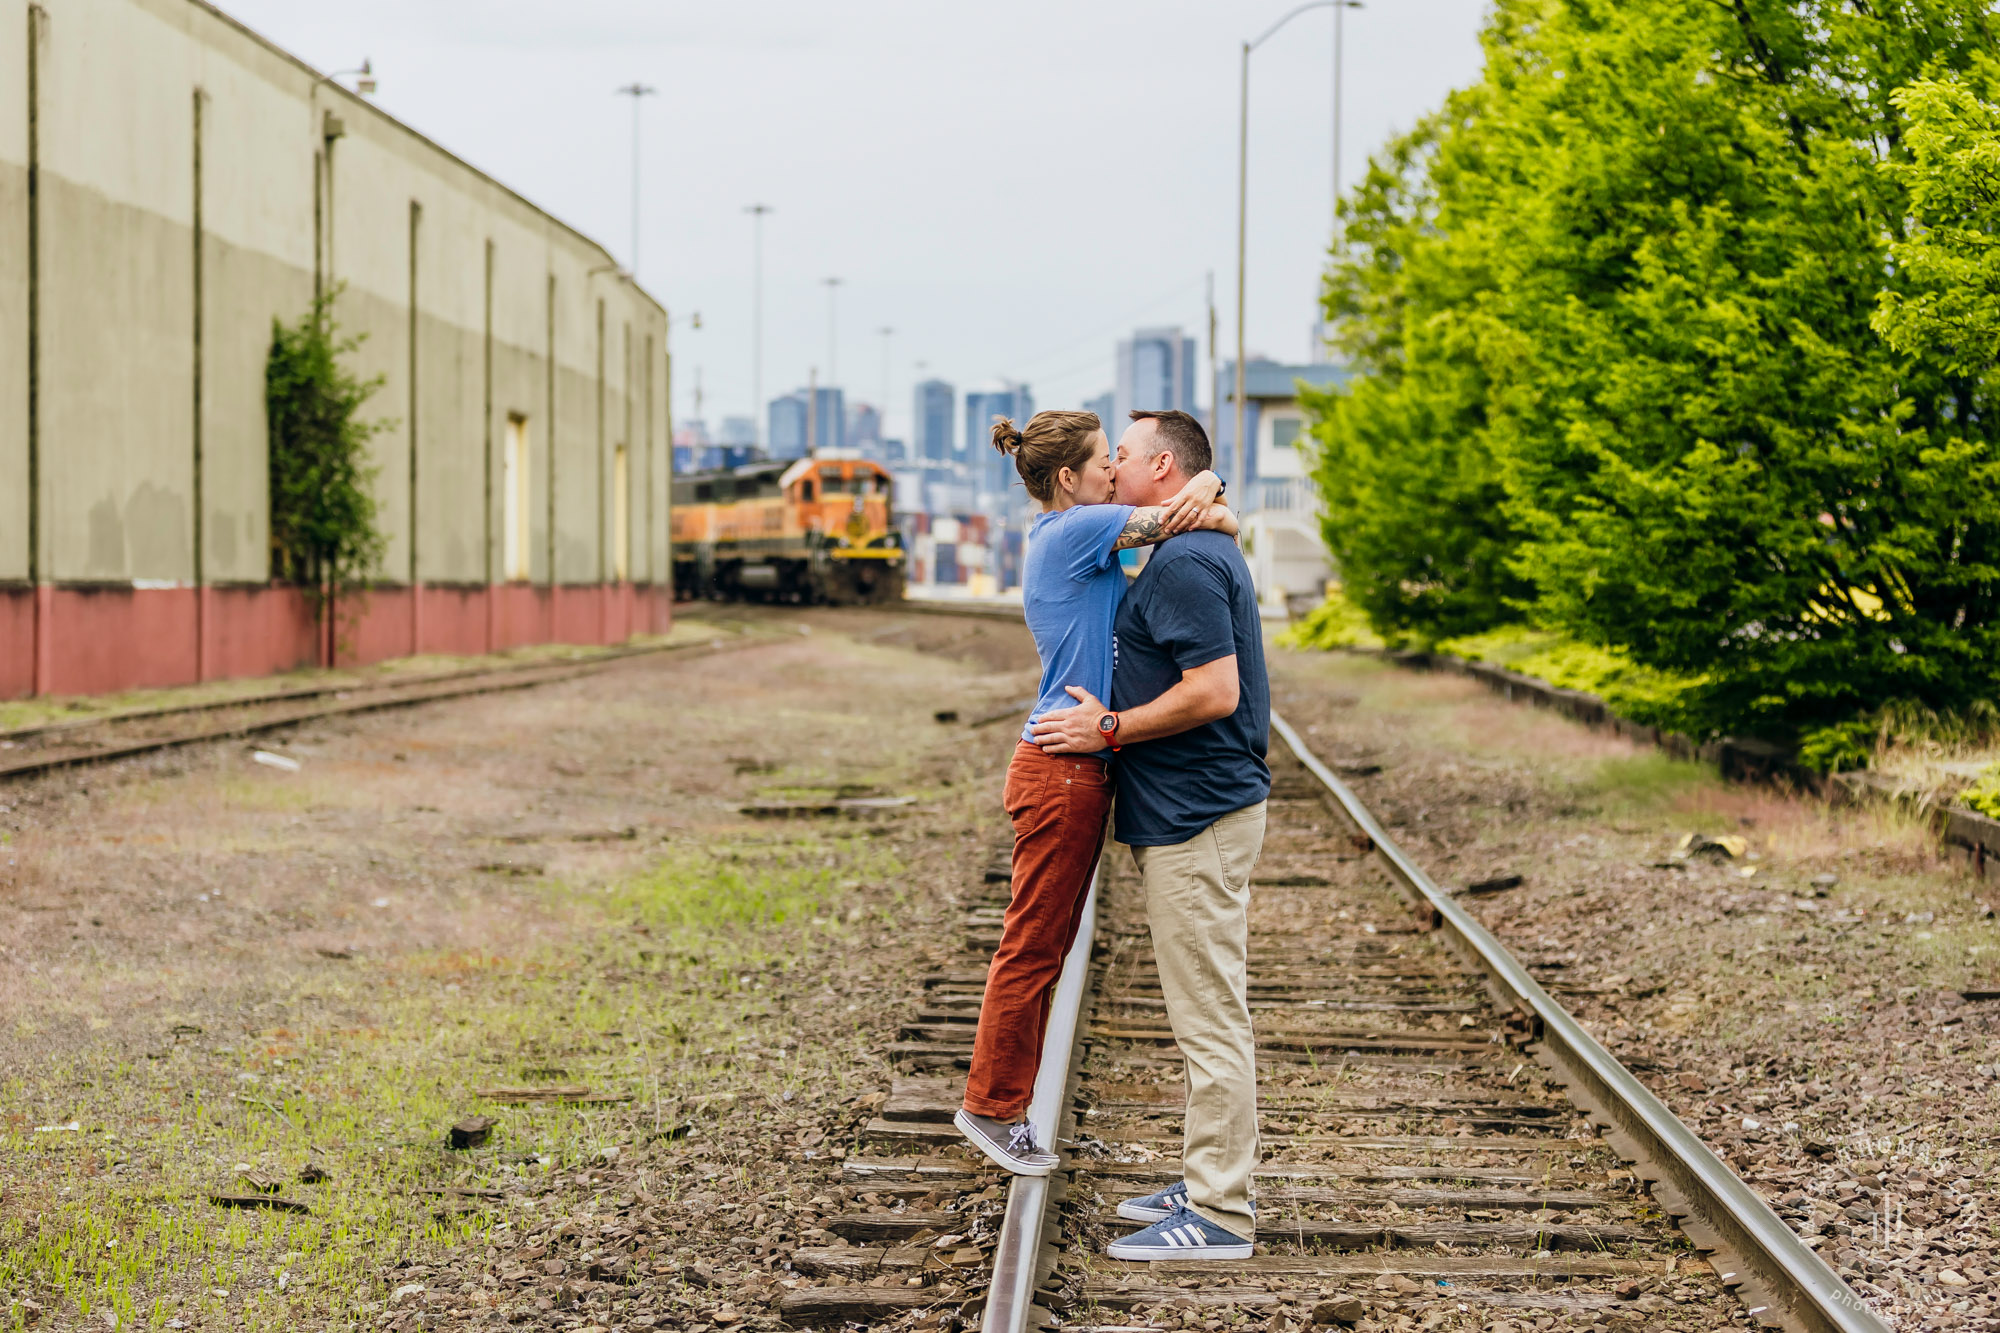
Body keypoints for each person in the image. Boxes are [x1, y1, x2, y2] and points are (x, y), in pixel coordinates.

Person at [953, 409, 1237, 1176]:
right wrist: (1211, 482)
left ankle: (999, 1102)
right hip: (1061, 768)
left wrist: (1212, 495)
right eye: (1102, 460)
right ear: (1069, 480)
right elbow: (1197, 512)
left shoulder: (1083, 535)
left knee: (1046, 939)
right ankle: (991, 1105)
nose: (1115, 470)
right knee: (1036, 942)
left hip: (1073, 763)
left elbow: (1204, 518)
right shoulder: (1077, 528)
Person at [1031, 409, 1270, 1262]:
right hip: (1192, 812)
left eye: (1122, 454)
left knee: (1209, 1017)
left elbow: (1215, 692)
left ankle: (1219, 1213)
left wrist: (1111, 730)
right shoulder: (1185, 547)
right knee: (1207, 1007)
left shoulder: (1185, 563)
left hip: (1197, 817)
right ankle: (1212, 1175)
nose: (1111, 467)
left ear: (1161, 466)